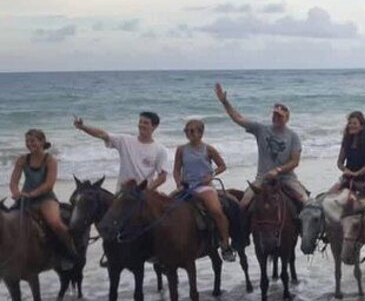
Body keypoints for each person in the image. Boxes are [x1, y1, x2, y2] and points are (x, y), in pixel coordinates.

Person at [214, 83, 309, 210]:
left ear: (287, 118)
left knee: (306, 203)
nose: (276, 118)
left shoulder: (293, 136)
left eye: (280, 116)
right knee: (243, 204)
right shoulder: (261, 129)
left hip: (287, 178)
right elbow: (238, 118)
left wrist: (278, 170)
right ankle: (241, 230)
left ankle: (304, 230)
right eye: (274, 114)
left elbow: (294, 162)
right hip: (263, 178)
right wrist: (225, 102)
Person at [8, 129, 78, 265]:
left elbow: (49, 185)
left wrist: (31, 194)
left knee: (55, 223)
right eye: (27, 141)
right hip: (24, 198)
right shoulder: (22, 160)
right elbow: (13, 181)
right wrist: (15, 192)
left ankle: (71, 253)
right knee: (7, 221)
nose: (29, 144)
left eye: (33, 141)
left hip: (46, 199)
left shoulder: (50, 160)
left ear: (42, 142)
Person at [173, 119, 235, 262]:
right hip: (187, 186)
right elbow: (176, 170)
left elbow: (222, 166)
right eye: (187, 131)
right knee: (167, 208)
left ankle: (225, 245)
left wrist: (211, 175)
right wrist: (178, 183)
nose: (189, 133)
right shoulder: (181, 149)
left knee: (216, 211)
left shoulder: (208, 149)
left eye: (192, 131)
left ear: (201, 133)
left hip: (204, 186)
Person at [73, 111, 168, 190]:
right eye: (140, 122)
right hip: (122, 194)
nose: (141, 125)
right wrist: (83, 127)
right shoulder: (125, 140)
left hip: (143, 197)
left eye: (146, 123)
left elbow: (162, 177)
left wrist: (146, 189)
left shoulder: (160, 150)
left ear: (154, 126)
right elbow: (102, 134)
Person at [330, 111, 365, 193]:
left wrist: (357, 173)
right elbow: (339, 162)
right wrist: (345, 170)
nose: (351, 126)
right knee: (330, 194)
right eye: (350, 123)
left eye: (355, 123)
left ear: (362, 126)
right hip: (348, 176)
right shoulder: (346, 141)